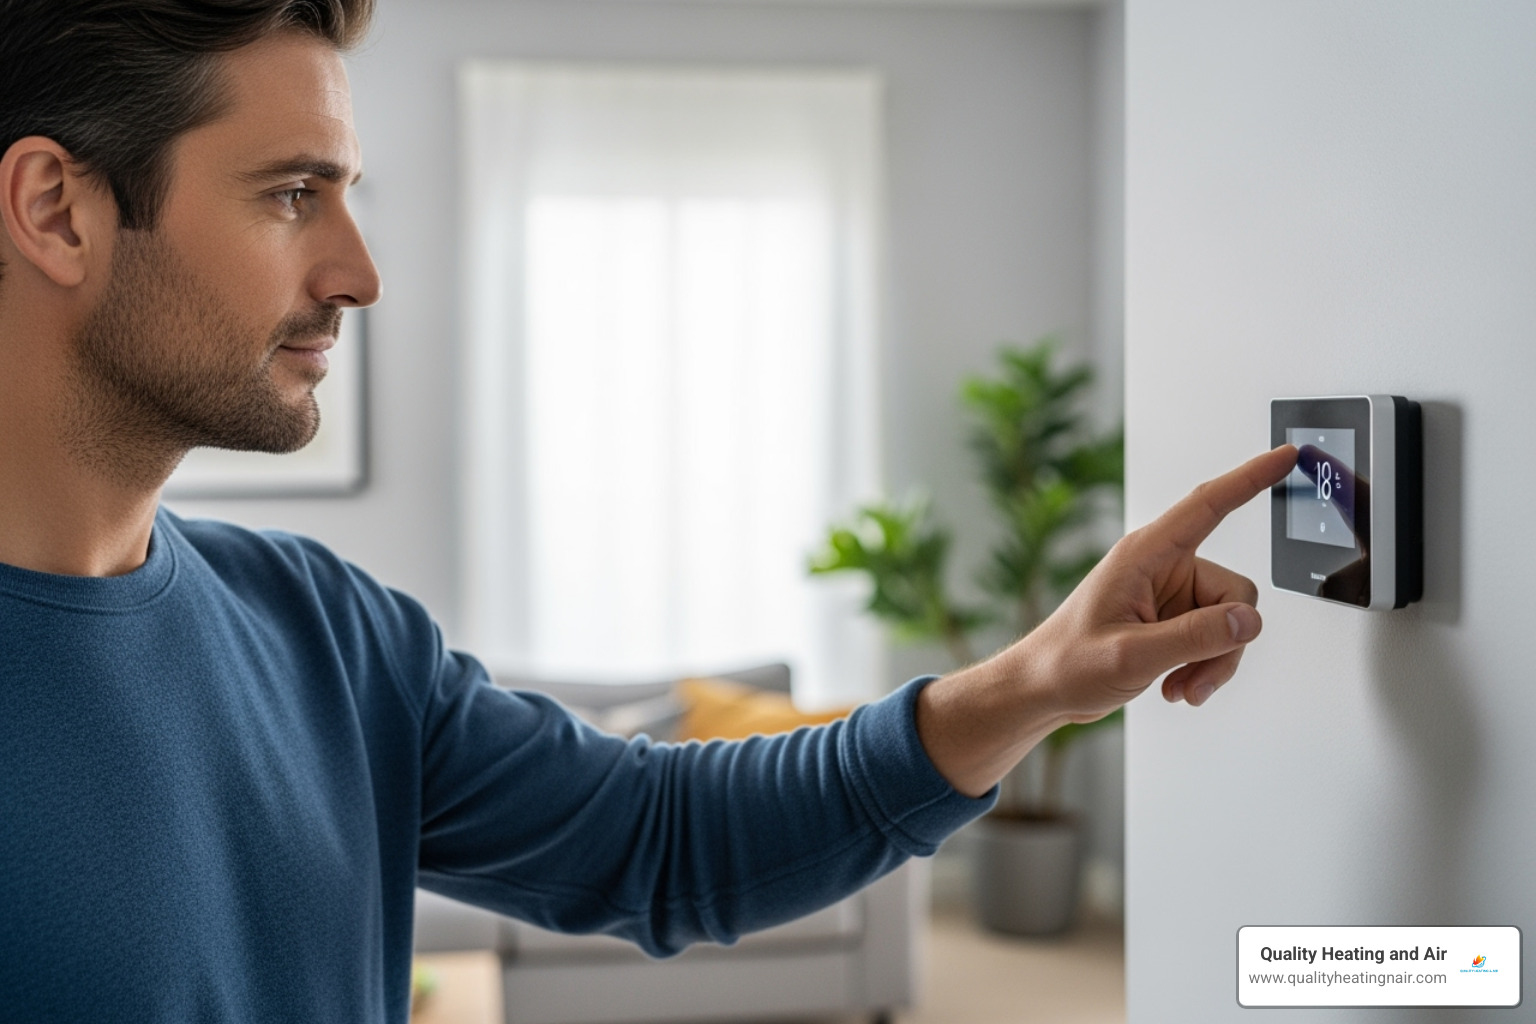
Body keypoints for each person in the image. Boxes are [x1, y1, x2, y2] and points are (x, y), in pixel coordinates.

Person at [0, 1, 1298, 1019]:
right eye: (291, 194)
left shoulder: (325, 633)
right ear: (59, 211)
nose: (359, 273)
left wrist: (1034, 683)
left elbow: (661, 838)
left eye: (344, 194)